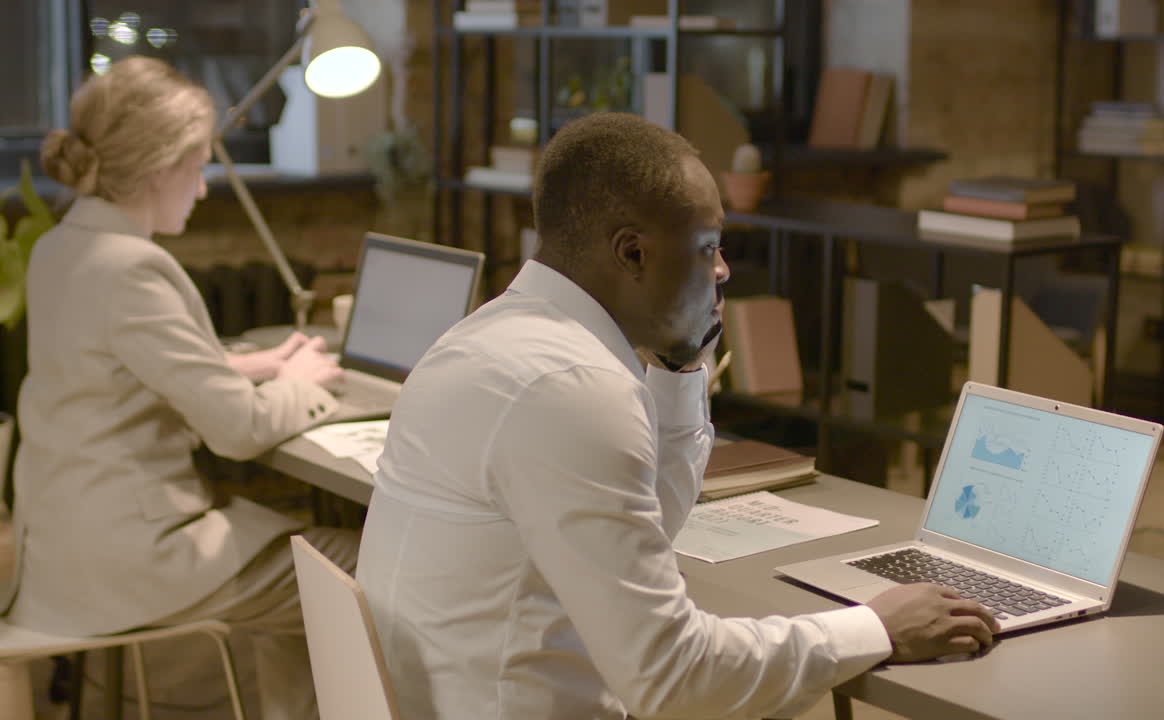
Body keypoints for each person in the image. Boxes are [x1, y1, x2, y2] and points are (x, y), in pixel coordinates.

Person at [356, 112, 999, 719]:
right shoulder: (573, 388)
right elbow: (670, 678)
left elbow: (648, 527)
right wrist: (875, 626)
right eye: (708, 246)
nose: (722, 271)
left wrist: (680, 369)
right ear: (633, 253)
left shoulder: (488, 339)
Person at [2, 56, 357, 720]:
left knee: (307, 569)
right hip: (126, 562)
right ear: (161, 167)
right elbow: (240, 432)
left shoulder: (61, 246)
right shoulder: (134, 267)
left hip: (60, 550)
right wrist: (304, 381)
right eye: (197, 168)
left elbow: (114, 365)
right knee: (344, 570)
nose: (200, 191)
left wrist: (252, 366)